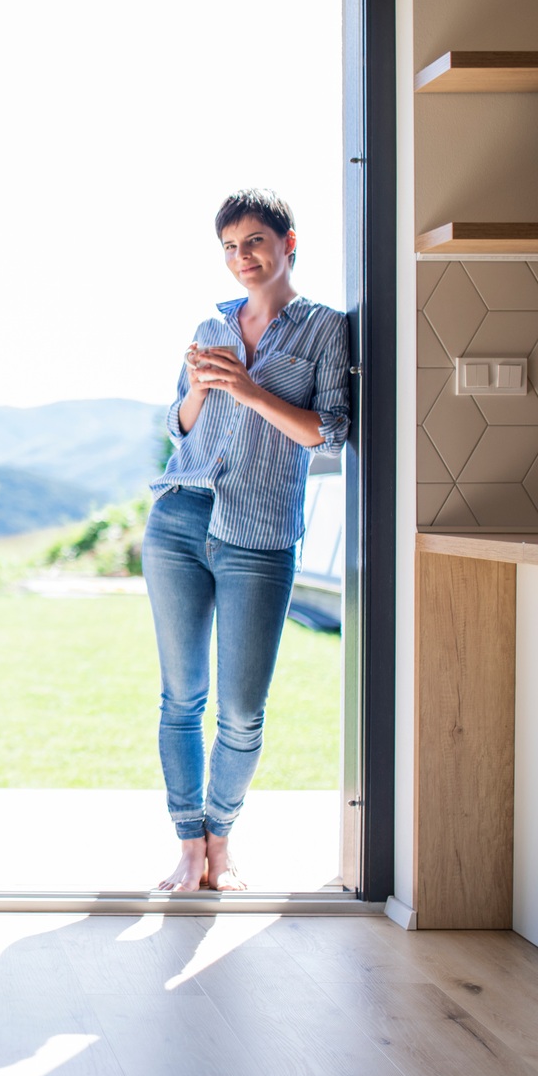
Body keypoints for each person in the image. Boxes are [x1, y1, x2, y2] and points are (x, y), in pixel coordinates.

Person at [144, 189, 350, 892]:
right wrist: (201, 389)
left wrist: (250, 389)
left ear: (289, 243)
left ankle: (222, 837)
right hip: (179, 516)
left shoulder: (326, 330)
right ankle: (189, 845)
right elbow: (177, 424)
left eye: (255, 242)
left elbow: (329, 431)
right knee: (181, 697)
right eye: (230, 247)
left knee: (241, 708)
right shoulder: (211, 322)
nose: (243, 258)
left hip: (259, 530)